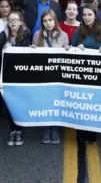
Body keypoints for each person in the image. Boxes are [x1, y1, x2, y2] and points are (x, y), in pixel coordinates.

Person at [71, 4, 101, 144]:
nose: (86, 17)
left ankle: (92, 132)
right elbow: (71, 48)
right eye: (84, 15)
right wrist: (77, 47)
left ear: (95, 15)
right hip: (82, 72)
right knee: (82, 104)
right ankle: (81, 132)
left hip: (98, 72)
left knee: (94, 103)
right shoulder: (78, 30)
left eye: (89, 15)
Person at [0, 12, 31, 146]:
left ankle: (19, 130)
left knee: (19, 104)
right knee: (9, 105)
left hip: (21, 76)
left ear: (21, 22)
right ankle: (13, 129)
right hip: (6, 76)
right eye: (10, 20)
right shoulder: (2, 37)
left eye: (16, 20)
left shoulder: (27, 35)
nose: (13, 22)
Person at [32, 10, 69, 144]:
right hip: (43, 75)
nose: (48, 23)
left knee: (57, 103)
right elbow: (33, 57)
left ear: (55, 20)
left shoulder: (64, 36)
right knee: (46, 102)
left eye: (50, 20)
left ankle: (55, 128)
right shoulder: (37, 35)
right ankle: (46, 128)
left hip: (58, 76)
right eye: (45, 21)